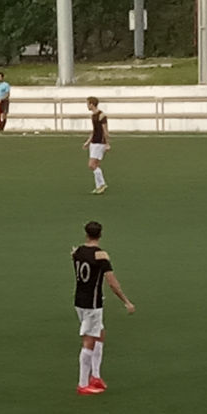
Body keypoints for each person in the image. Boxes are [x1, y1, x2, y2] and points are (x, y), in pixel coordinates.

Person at [72, 221, 135, 395]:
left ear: (86, 234)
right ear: (100, 235)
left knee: (100, 333)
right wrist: (126, 301)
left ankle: (96, 376)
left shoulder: (78, 252)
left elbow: (75, 255)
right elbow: (112, 283)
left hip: (79, 300)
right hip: (92, 304)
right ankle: (83, 383)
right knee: (89, 341)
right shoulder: (101, 255)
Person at [82, 96, 110, 194]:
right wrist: (88, 141)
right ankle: (99, 186)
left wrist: (107, 143)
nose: (87, 106)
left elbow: (105, 131)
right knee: (95, 165)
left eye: (87, 104)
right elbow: (94, 130)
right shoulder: (93, 115)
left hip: (99, 143)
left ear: (91, 104)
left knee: (91, 165)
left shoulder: (101, 115)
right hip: (94, 142)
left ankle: (101, 184)